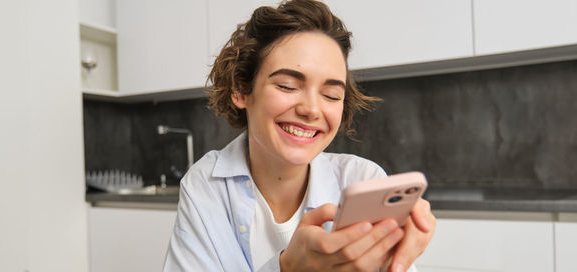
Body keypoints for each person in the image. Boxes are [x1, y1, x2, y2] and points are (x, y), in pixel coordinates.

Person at [164, 0, 435, 271]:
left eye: (331, 95)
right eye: (288, 86)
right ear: (241, 89)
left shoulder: (363, 180)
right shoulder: (205, 186)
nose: (312, 110)